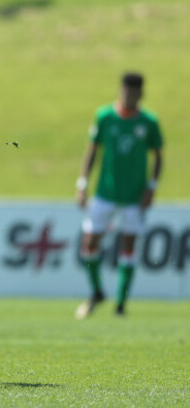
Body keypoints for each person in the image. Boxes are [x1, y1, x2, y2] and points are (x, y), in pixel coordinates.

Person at [75, 72, 163, 319]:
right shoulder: (104, 117)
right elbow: (92, 151)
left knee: (128, 246)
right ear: (120, 91)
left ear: (141, 94)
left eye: (134, 92)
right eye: (126, 91)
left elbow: (158, 156)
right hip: (105, 192)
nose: (129, 96)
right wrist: (82, 184)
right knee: (90, 242)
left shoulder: (148, 122)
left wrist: (151, 187)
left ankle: (121, 304)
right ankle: (97, 292)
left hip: (134, 196)